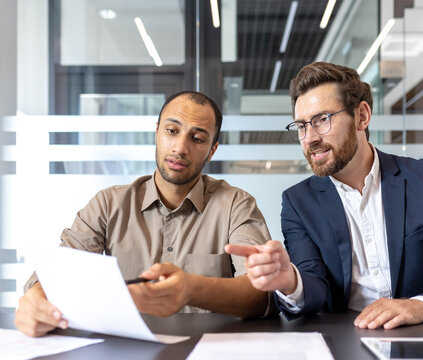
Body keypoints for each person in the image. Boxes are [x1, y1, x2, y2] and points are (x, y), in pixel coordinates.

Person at [226, 62, 423, 330]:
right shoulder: (299, 202)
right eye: (301, 126)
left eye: (322, 120)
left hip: (419, 340)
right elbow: (315, 285)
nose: (310, 137)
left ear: (362, 116)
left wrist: (419, 306)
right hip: (344, 342)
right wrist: (291, 282)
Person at [16, 91, 271, 337]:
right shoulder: (108, 204)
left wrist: (191, 289)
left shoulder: (237, 205)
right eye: (171, 131)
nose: (180, 148)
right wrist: (35, 299)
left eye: (197, 138)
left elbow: (260, 294)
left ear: (212, 150)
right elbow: (58, 273)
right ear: (157, 132)